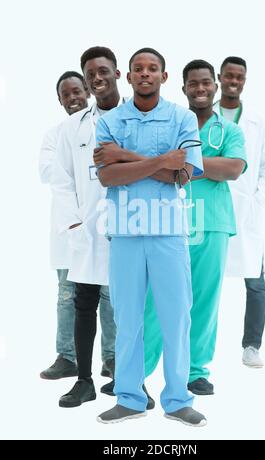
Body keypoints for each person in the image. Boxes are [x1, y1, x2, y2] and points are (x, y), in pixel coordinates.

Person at [94, 48, 207, 426]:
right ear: (128, 77)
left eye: (152, 69)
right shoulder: (111, 120)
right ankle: (129, 397)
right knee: (127, 318)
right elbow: (107, 176)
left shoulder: (181, 117)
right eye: (138, 69)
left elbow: (185, 174)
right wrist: (161, 160)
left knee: (176, 317)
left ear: (164, 76)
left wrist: (124, 158)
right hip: (125, 234)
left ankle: (177, 400)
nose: (145, 74)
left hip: (168, 233)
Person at [142, 59, 247, 395]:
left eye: (206, 83)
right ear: (183, 87)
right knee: (156, 298)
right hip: (168, 220)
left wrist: (185, 163)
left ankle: (196, 370)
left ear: (215, 85)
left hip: (212, 222)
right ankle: (138, 369)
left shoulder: (229, 131)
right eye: (193, 84)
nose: (200, 89)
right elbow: (153, 165)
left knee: (203, 299)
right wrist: (199, 164)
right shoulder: (170, 126)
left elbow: (233, 168)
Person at [52, 47, 122, 408]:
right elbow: (62, 179)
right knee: (84, 304)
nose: (97, 78)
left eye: (103, 71)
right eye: (90, 73)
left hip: (130, 226)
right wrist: (75, 220)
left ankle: (128, 379)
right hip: (89, 229)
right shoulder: (73, 127)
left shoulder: (137, 116)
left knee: (128, 306)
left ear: (117, 73)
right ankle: (84, 381)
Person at [215, 56, 265, 367]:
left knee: (255, 280)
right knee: (203, 279)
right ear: (219, 77)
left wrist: (258, 201)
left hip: (246, 211)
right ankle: (199, 341)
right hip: (212, 208)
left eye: (239, 77)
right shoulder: (203, 114)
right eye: (229, 75)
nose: (233, 81)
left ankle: (251, 345)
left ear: (245, 80)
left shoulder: (257, 121)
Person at [39, 71, 90, 379]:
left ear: (87, 90)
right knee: (67, 294)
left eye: (77, 91)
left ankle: (110, 357)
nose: (73, 98)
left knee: (108, 295)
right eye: (66, 95)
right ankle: (66, 356)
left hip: (101, 226)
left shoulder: (104, 125)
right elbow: (47, 172)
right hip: (67, 231)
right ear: (60, 101)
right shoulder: (54, 134)